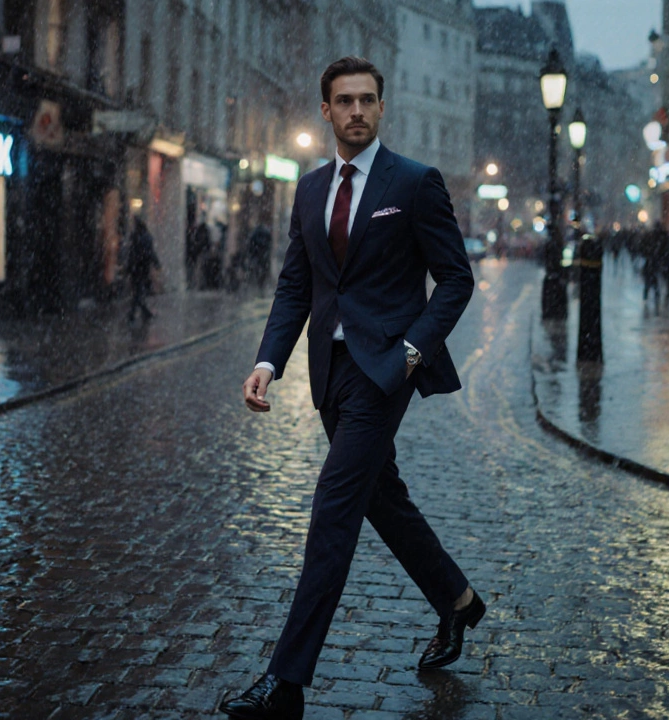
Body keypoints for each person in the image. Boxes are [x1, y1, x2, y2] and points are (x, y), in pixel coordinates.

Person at [223, 57, 480, 720]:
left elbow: (456, 279)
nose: (358, 110)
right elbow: (297, 286)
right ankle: (456, 597)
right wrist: (268, 362)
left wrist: (414, 350)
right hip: (329, 375)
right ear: (326, 111)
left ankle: (286, 683)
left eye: (368, 100)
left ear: (381, 108)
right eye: (345, 101)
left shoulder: (415, 183)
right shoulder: (308, 190)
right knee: (380, 499)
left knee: (334, 510)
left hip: (386, 372)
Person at [126, 216, 161, 321]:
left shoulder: (135, 237)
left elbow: (133, 253)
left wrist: (129, 266)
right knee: (139, 290)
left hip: (136, 267)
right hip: (142, 267)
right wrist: (155, 263)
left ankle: (137, 312)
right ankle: (141, 311)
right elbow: (149, 252)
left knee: (138, 290)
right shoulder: (144, 237)